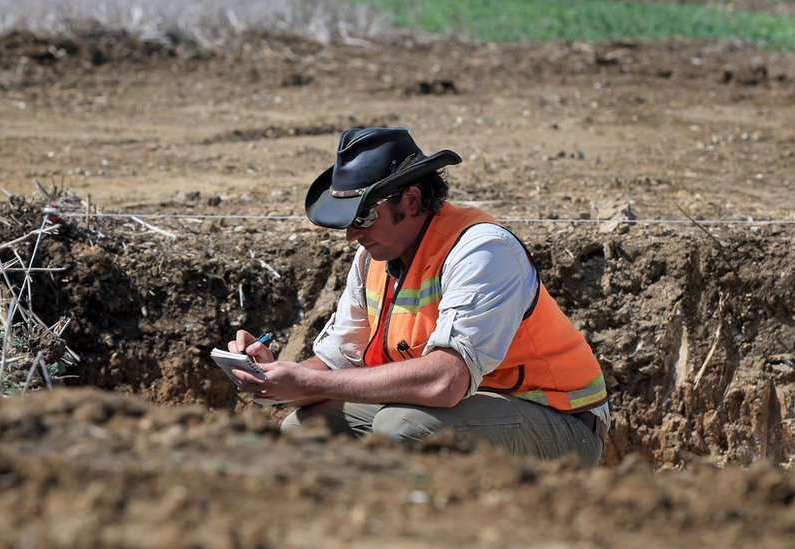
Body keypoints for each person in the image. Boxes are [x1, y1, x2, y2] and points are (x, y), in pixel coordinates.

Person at [228, 127, 609, 467]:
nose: (352, 236)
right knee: (305, 427)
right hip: (455, 409)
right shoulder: (371, 260)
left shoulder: (482, 251)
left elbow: (444, 382)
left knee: (404, 427)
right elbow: (332, 367)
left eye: (363, 218)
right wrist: (272, 377)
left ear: (410, 201)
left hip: (560, 422)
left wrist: (309, 384)